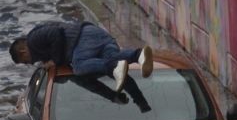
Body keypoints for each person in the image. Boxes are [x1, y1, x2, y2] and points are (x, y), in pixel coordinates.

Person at [9, 20, 154, 92]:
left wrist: (55, 60)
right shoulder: (40, 48)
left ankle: (114, 67)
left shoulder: (33, 39)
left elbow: (55, 34)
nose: (29, 63)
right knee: (112, 56)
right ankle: (139, 55)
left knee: (78, 67)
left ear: (23, 52)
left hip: (83, 37)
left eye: (25, 61)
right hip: (97, 35)